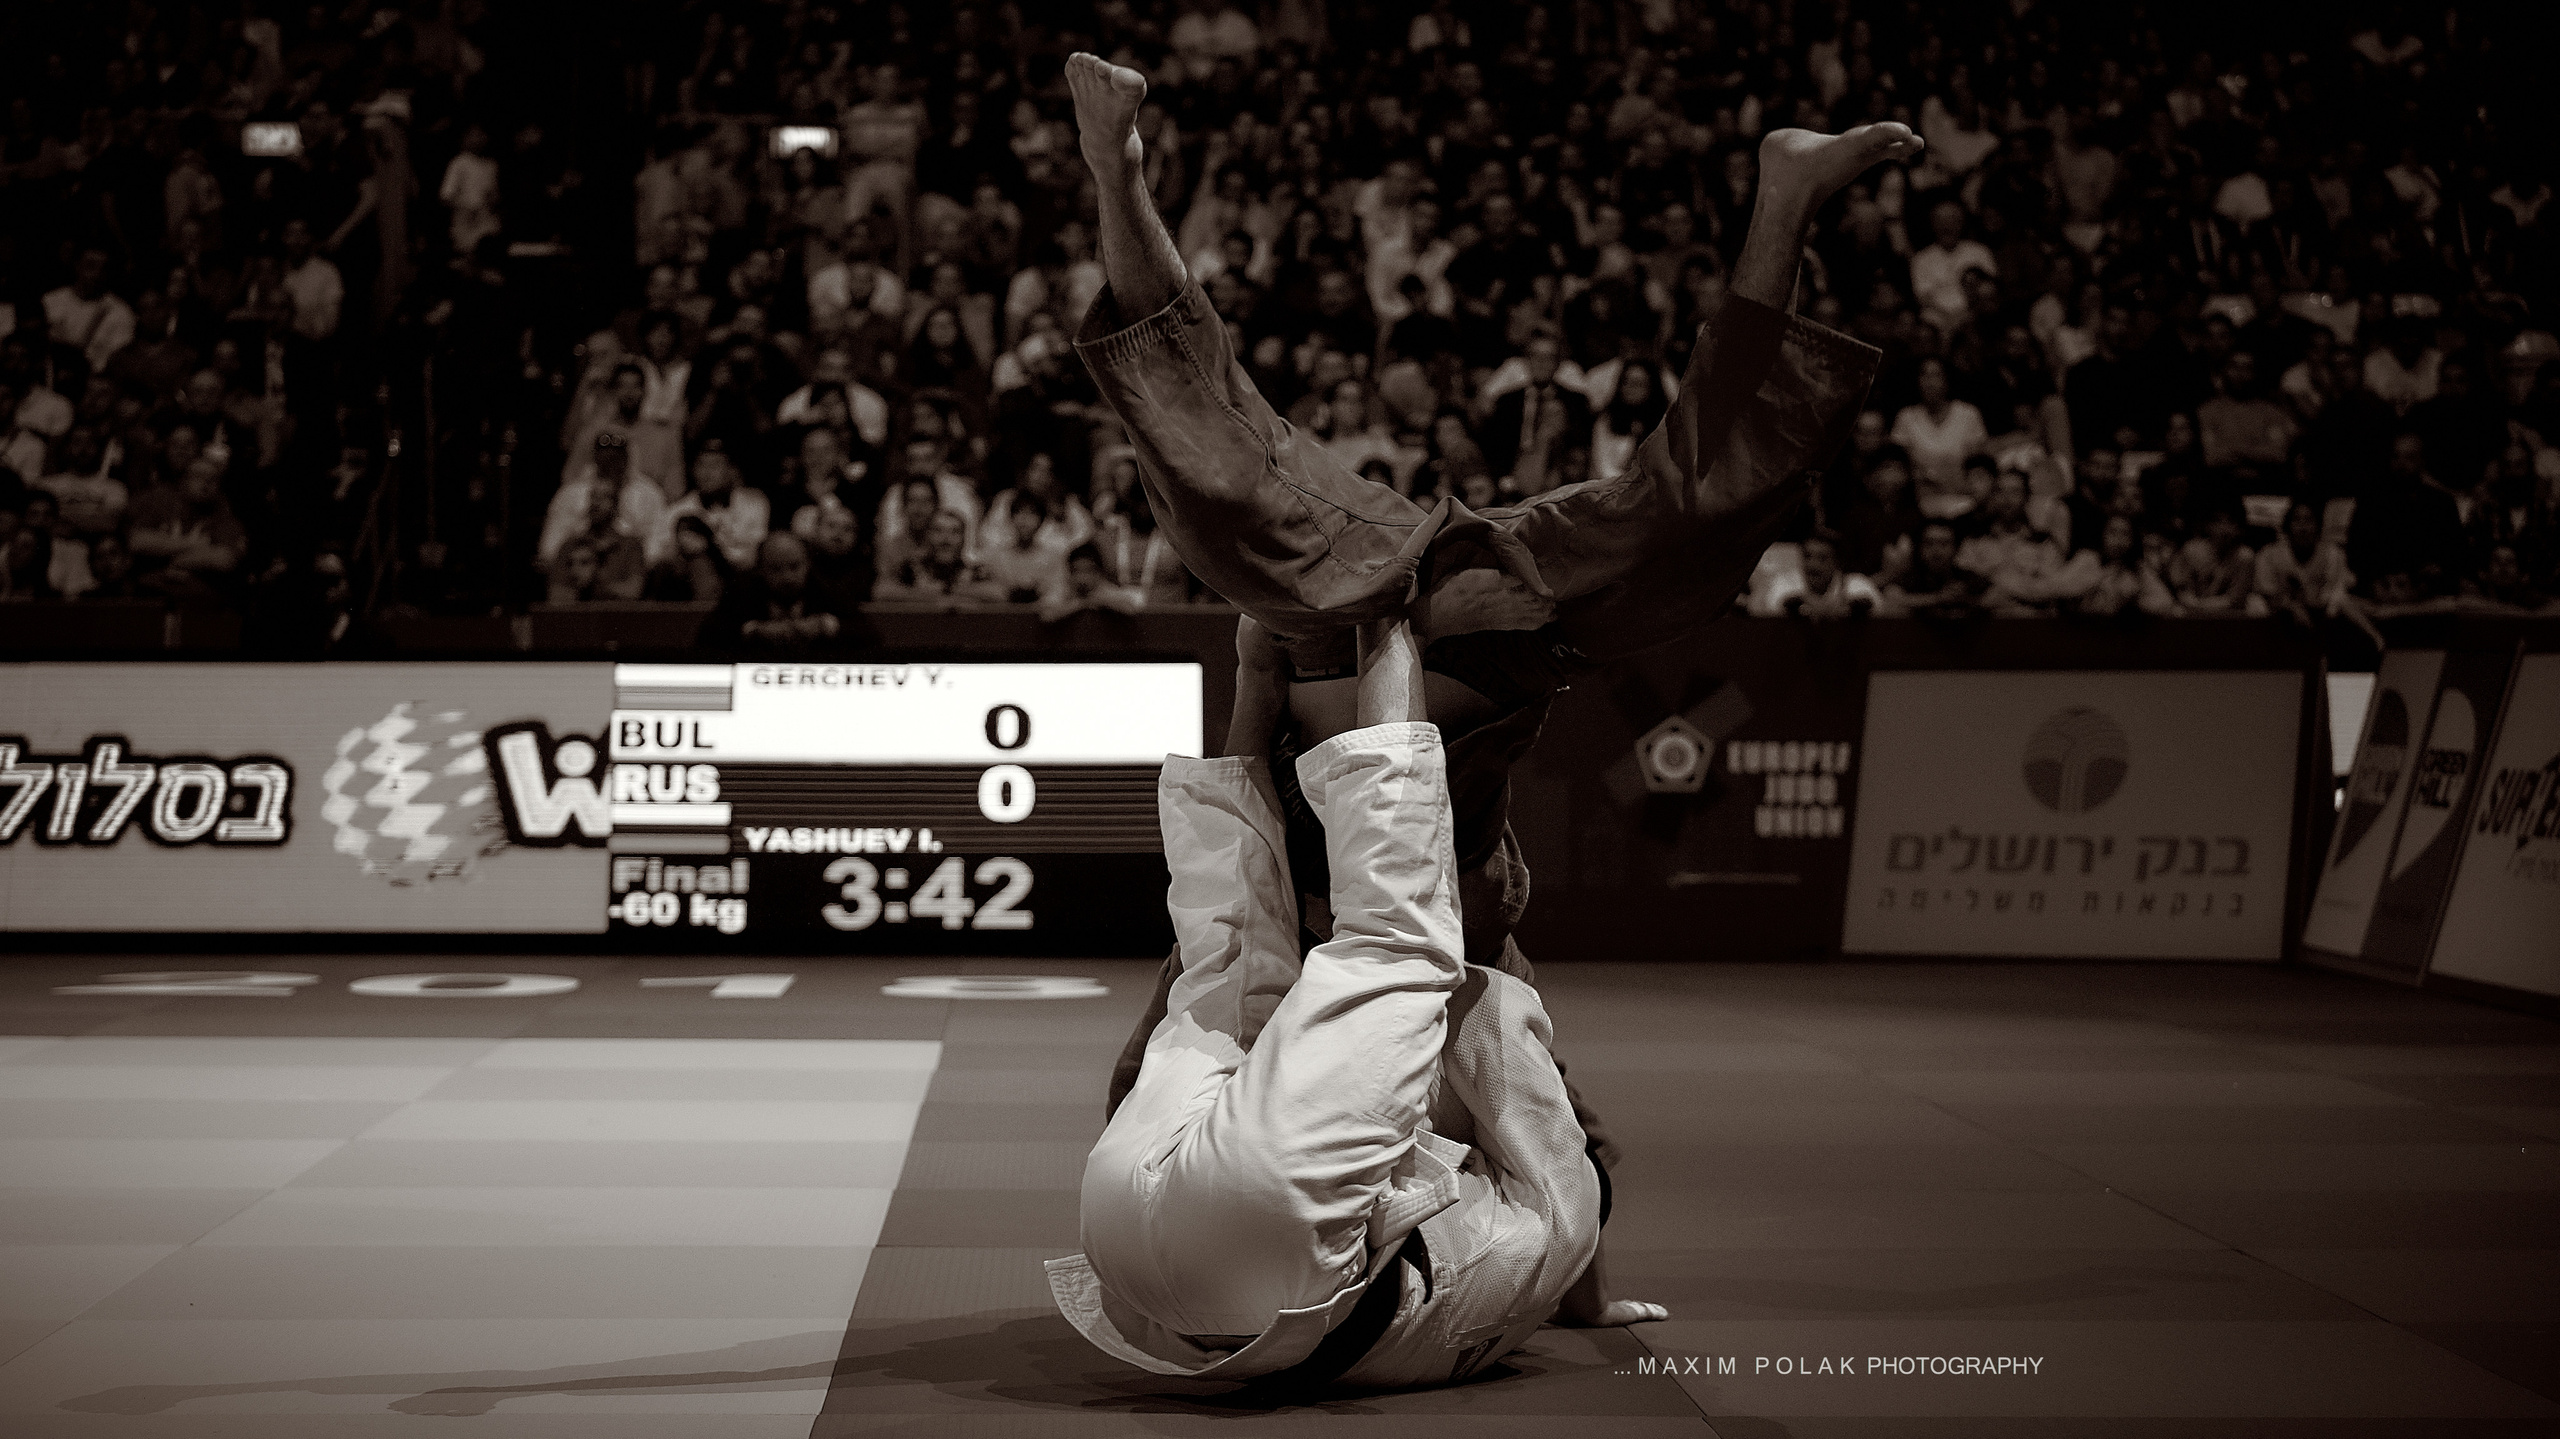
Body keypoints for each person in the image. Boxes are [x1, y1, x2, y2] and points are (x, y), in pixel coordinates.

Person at [1060, 49, 1912, 1384]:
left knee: (1215, 466)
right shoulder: (1427, 953)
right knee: (1230, 471)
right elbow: (1537, 1119)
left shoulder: (1358, 963)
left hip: (1382, 624)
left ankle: (1115, 168)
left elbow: (1535, 1135)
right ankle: (1783, 200)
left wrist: (1295, 638)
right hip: (1457, 641)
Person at [1054, 610, 1658, 1389]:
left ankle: (1378, 621)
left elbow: (1488, 1018)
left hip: (1263, 1238)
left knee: (1393, 939)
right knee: (1230, 951)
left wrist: (1448, 965)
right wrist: (1593, 1305)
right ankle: (1271, 665)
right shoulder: (1529, 1249)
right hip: (1133, 1260)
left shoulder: (1552, 1221)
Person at [696, 532, 864, 653]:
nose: (787, 577)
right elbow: (705, 637)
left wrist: (826, 626)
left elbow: (869, 635)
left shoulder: (827, 588)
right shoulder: (741, 591)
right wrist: (753, 631)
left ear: (808, 564)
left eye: (794, 567)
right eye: (776, 569)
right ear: (760, 570)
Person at [1753, 529, 1879, 618]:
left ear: (1837, 563)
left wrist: (1843, 608)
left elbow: (1868, 602)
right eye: (1807, 557)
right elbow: (1783, 603)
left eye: (1822, 558)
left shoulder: (1854, 581)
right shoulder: (1786, 581)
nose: (1813, 565)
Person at [1882, 518, 1991, 616]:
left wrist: (1966, 600)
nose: (1936, 551)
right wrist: (1938, 598)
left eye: (1944, 544)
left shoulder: (1967, 578)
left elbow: (1998, 596)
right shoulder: (1910, 578)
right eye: (1929, 543)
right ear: (1920, 549)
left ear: (1956, 548)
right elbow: (1891, 599)